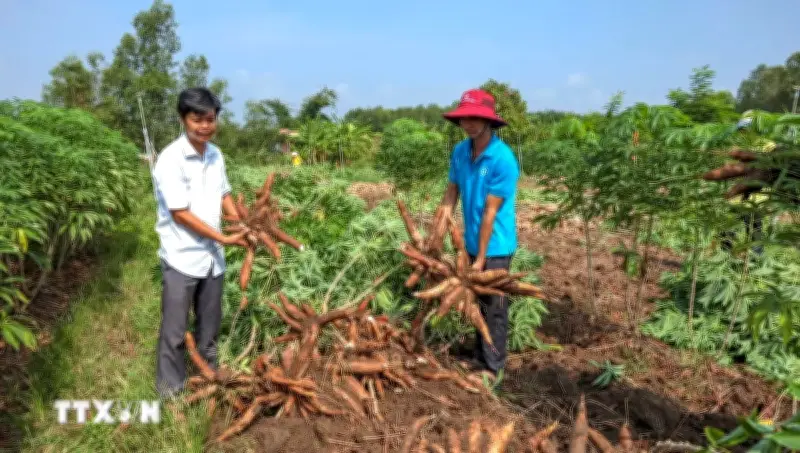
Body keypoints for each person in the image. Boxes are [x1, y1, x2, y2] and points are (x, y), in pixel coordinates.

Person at [152, 87, 249, 399]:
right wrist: (222, 236)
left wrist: (241, 225)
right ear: (183, 119)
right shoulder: (170, 160)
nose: (206, 126)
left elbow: (224, 194)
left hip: (212, 259)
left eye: (211, 119)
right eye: (198, 119)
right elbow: (180, 213)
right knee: (175, 331)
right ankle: (171, 394)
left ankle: (209, 380)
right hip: (182, 257)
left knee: (209, 328)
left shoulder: (215, 154)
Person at [438, 89, 520, 380]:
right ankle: (478, 356)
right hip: (472, 241)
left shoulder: (503, 159)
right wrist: (440, 225)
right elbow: (451, 192)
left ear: (488, 121)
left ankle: (493, 367)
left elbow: (490, 213)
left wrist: (481, 258)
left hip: (496, 245)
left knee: (494, 306)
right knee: (475, 302)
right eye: (464, 118)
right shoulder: (460, 152)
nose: (469, 124)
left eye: (475, 118)